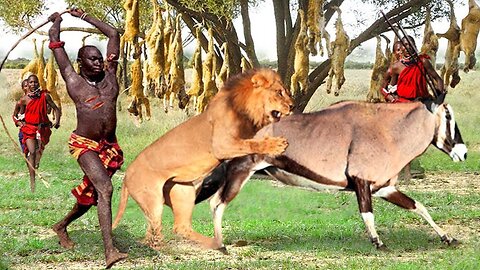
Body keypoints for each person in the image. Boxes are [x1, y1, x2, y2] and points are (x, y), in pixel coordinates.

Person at [48, 9, 127, 269]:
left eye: (100, 58)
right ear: (81, 63)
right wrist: (57, 22)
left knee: (92, 195)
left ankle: (61, 226)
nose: (98, 63)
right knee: (105, 189)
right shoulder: (73, 80)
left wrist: (84, 17)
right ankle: (110, 251)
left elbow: (113, 33)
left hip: (109, 147)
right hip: (84, 145)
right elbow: (55, 42)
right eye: (92, 60)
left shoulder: (110, 76)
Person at [382, 35, 446, 180]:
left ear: (414, 46)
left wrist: (439, 95)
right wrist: (392, 98)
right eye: (405, 44)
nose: (408, 47)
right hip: (402, 106)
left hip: (420, 104)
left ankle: (408, 171)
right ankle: (401, 172)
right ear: (402, 47)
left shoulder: (423, 62)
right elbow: (383, 88)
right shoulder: (396, 67)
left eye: (411, 44)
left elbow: (437, 79)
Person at [14, 74, 61, 192]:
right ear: (27, 85)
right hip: (29, 129)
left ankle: (34, 166)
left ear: (38, 84)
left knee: (38, 153)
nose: (33, 84)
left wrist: (57, 121)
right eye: (30, 82)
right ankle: (32, 183)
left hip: (42, 129)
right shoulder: (24, 100)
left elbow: (56, 109)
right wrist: (20, 123)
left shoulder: (45, 96)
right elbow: (17, 115)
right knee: (32, 152)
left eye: (35, 82)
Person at [12, 79, 29, 153]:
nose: (28, 87)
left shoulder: (37, 101)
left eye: (29, 85)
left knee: (35, 156)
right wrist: (19, 123)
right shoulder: (20, 102)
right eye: (26, 86)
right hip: (24, 132)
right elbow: (14, 116)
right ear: (23, 88)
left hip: (36, 131)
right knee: (27, 154)